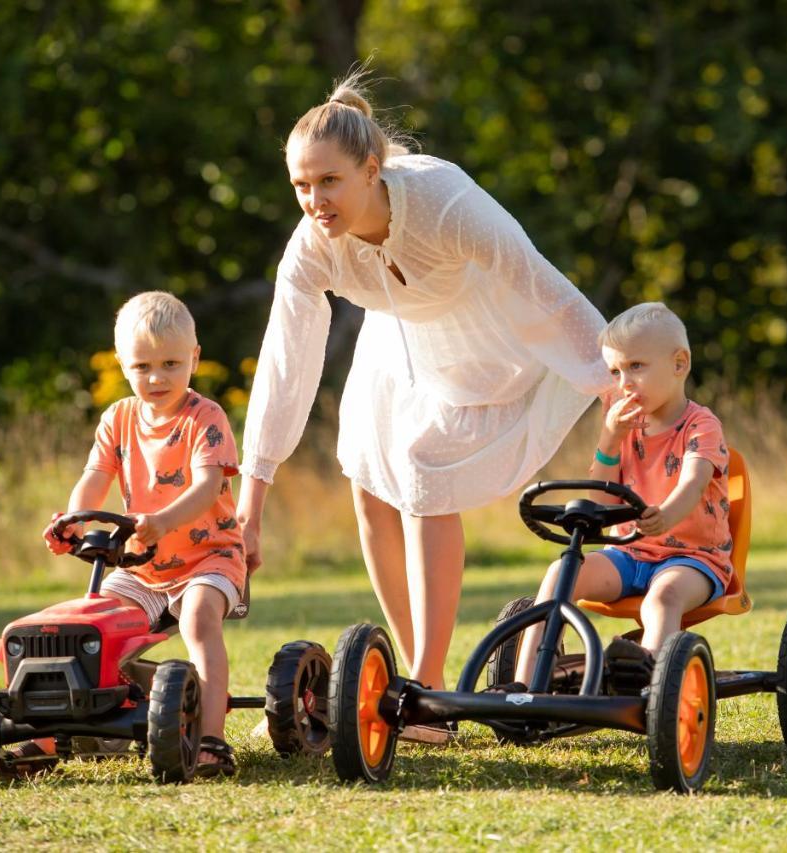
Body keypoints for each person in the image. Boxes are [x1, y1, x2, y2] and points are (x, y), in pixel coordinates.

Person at [237, 72, 611, 743]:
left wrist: (619, 376)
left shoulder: (446, 201)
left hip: (487, 333)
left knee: (422, 470)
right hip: (398, 333)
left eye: (329, 181)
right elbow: (284, 364)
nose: (314, 200)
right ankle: (406, 688)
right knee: (367, 477)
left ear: (372, 170)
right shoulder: (310, 247)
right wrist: (251, 502)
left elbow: (541, 285)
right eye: (300, 185)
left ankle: (429, 691)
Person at [42, 291, 246, 775]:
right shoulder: (118, 418)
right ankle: (75, 726)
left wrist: (163, 521)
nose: (157, 378)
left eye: (171, 363)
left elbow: (205, 486)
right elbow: (94, 476)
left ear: (194, 359)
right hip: (142, 563)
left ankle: (214, 739)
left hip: (209, 557)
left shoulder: (206, 418)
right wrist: (76, 519)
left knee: (197, 621)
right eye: (143, 366)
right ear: (121, 364)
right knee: (95, 625)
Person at [512, 302, 733, 689]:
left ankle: (647, 682)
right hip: (629, 553)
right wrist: (610, 438)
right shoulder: (622, 423)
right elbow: (603, 500)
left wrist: (666, 513)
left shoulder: (701, 425)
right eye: (615, 371)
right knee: (562, 573)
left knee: (661, 600)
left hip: (693, 560)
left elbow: (694, 482)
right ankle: (526, 684)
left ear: (679, 364)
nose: (624, 382)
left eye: (636, 367)